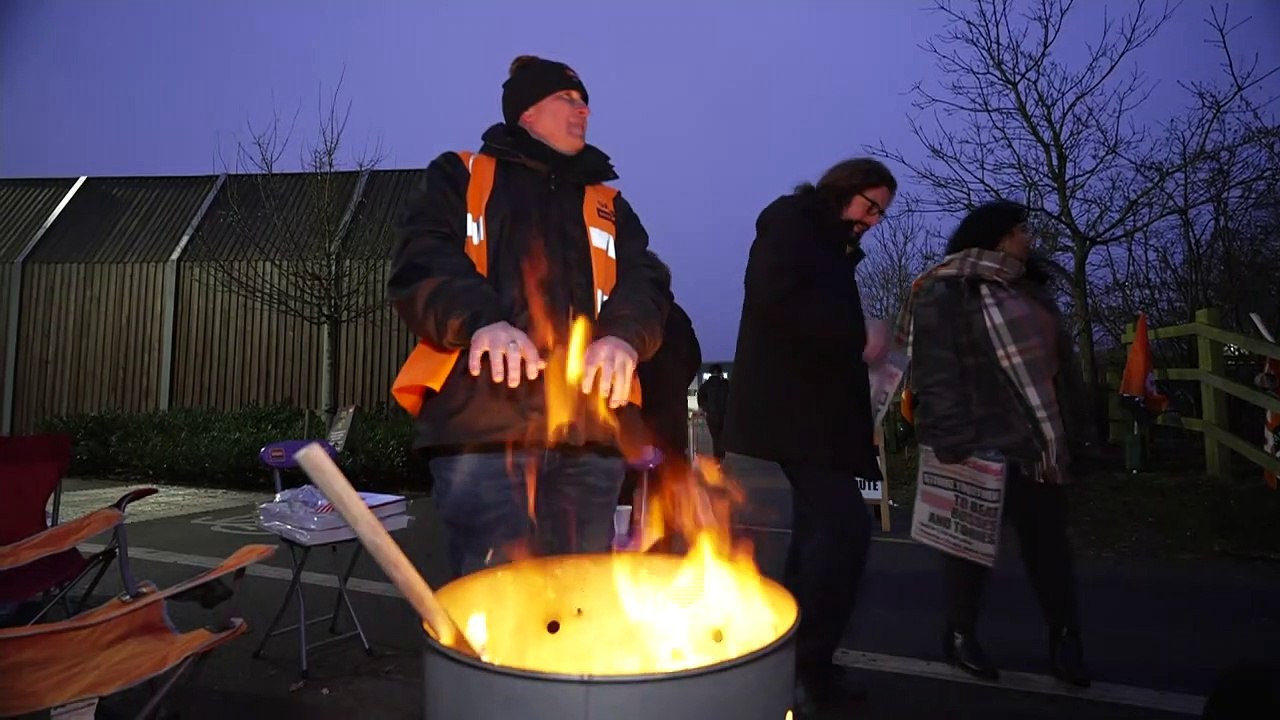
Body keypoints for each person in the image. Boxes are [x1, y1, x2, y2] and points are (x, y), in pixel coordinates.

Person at [387, 55, 671, 579]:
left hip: (591, 435)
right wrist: (482, 320)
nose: (583, 111)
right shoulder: (462, 174)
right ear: (528, 113)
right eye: (569, 100)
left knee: (581, 595)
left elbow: (647, 281)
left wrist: (624, 338)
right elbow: (421, 258)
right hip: (486, 430)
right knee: (495, 599)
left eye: (586, 103)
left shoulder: (609, 204)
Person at [894, 199, 1093, 687]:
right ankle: (960, 633)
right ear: (996, 236)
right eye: (1021, 230)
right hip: (979, 442)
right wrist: (950, 437)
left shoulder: (1031, 290)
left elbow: (1059, 367)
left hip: (1039, 444)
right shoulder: (945, 290)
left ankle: (1065, 638)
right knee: (969, 548)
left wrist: (1079, 430)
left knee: (1049, 547)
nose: (1030, 238)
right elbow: (935, 372)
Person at [722, 157, 897, 709]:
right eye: (870, 207)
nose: (872, 221)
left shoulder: (830, 245)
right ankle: (810, 664)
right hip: (795, 414)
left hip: (815, 418)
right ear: (843, 190)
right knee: (846, 532)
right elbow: (777, 299)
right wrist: (859, 332)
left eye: (880, 214)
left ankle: (785, 654)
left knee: (816, 537)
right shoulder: (793, 222)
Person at [695, 364, 729, 460]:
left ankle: (717, 457)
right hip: (723, 414)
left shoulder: (706, 385)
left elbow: (700, 397)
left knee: (715, 436)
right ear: (720, 372)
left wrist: (704, 408)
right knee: (721, 435)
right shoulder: (726, 384)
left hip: (711, 415)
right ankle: (721, 456)